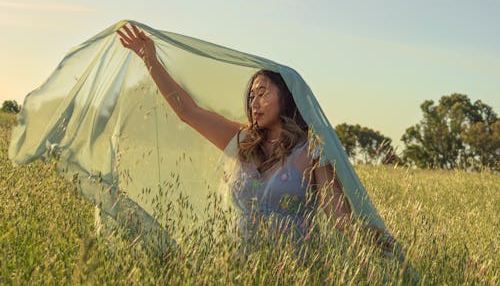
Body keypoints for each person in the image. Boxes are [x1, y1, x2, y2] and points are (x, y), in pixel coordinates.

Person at [116, 23, 396, 255]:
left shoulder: (312, 153)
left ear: (286, 98)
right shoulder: (241, 141)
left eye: (263, 93)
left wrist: (377, 240)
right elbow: (187, 111)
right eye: (251, 96)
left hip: (295, 271)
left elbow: (342, 220)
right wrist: (149, 59)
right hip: (240, 268)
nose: (254, 102)